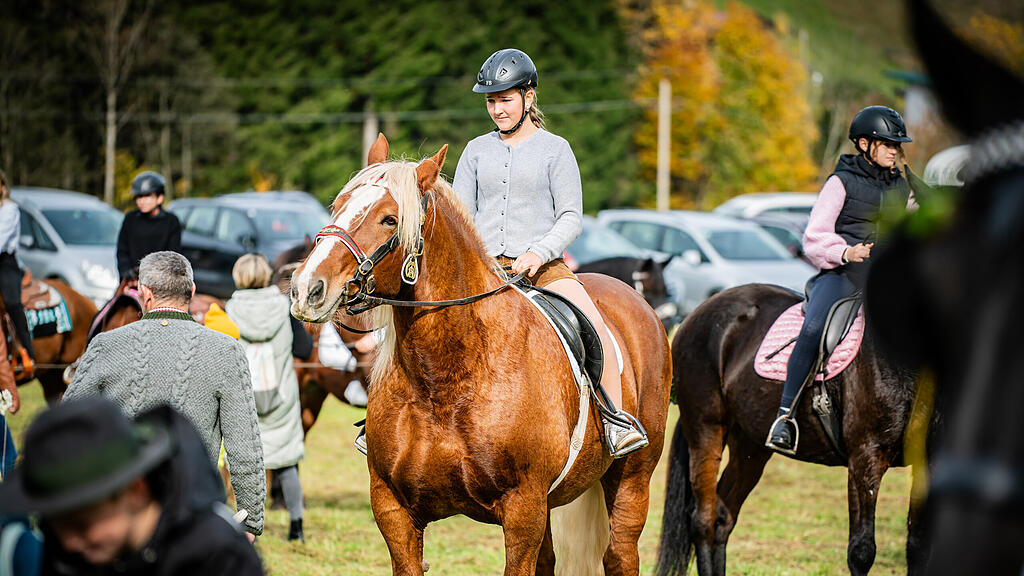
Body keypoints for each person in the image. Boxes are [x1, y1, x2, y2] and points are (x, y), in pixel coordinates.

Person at [452, 48, 648, 457]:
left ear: (528, 96)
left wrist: (538, 253)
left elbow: (572, 217)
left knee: (596, 330)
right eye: (491, 101)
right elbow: (460, 217)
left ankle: (614, 421)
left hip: (543, 269)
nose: (497, 110)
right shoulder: (474, 151)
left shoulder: (555, 149)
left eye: (505, 99)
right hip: (484, 273)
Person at [64, 251, 265, 537]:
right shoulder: (226, 351)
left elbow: (66, 426)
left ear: (145, 294)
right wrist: (251, 518)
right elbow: (244, 445)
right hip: (196, 513)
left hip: (119, 513)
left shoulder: (105, 345)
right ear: (192, 292)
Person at [766, 105, 915, 453]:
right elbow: (814, 236)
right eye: (888, 143)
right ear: (864, 144)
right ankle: (785, 416)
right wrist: (848, 252)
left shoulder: (902, 187)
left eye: (898, 145)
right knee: (815, 328)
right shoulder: (840, 182)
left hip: (887, 279)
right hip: (843, 275)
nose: (895, 149)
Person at [0, 396, 262, 575]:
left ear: (136, 491)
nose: (68, 542)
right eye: (55, 524)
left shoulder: (217, 556)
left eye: (82, 525)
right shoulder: (71, 548)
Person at [225, 254, 306, 542]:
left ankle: (246, 528)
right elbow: (305, 349)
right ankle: (296, 527)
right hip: (281, 397)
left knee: (246, 465)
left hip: (244, 398)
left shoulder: (231, 310)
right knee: (286, 462)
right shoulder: (284, 306)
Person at [116, 172, 181, 283]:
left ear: (160, 198)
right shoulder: (130, 219)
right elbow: (122, 250)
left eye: (147, 196)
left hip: (161, 281)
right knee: (115, 301)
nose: (142, 201)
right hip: (132, 279)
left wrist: (158, 277)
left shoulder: (171, 222)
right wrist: (126, 271)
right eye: (139, 197)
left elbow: (173, 255)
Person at [0, 169, 34, 377]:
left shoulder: (10, 209)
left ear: (3, 186)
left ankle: (28, 351)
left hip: (5, 262)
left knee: (12, 302)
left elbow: (1, 240)